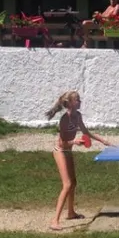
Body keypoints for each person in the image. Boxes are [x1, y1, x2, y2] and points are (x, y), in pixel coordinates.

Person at [45, 90, 113, 230]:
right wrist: (74, 142)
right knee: (67, 184)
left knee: (73, 183)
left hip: (68, 151)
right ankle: (54, 221)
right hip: (60, 152)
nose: (80, 102)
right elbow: (63, 142)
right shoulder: (64, 119)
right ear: (70, 103)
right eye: (77, 100)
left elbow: (86, 132)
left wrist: (103, 141)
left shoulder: (77, 116)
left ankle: (70, 212)